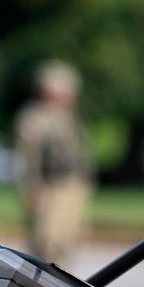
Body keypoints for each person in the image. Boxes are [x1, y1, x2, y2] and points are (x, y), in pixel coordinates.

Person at [15, 60, 94, 265]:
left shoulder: (70, 119)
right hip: (48, 186)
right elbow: (28, 157)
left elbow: (80, 154)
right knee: (46, 239)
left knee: (67, 237)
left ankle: (60, 278)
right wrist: (33, 187)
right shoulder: (35, 118)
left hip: (70, 185)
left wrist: (85, 184)